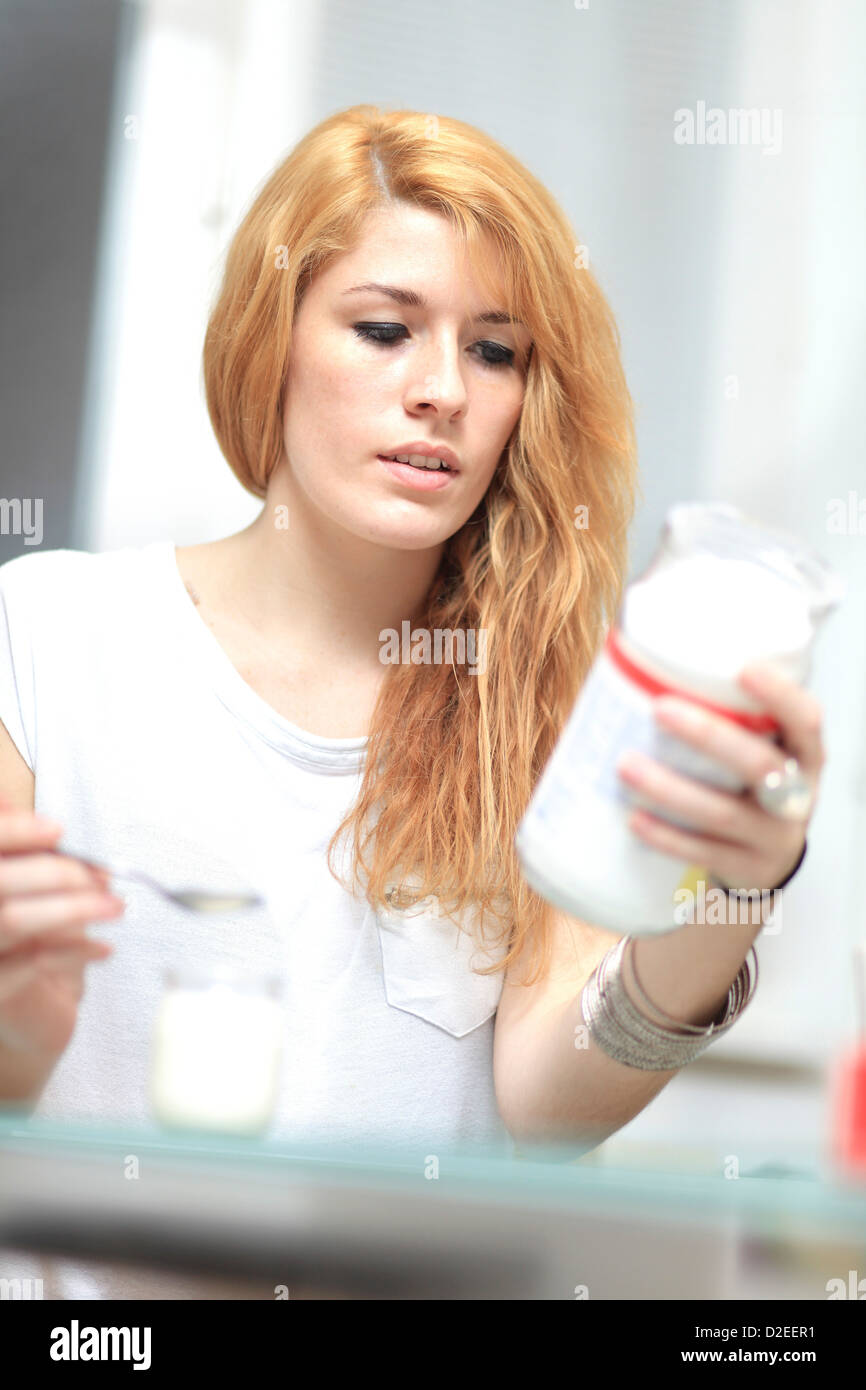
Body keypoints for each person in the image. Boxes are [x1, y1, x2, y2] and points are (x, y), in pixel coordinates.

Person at [0, 105, 823, 1298]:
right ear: (266, 341)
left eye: (494, 351)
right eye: (384, 329)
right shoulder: (42, 639)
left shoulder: (541, 701)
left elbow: (543, 1110)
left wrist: (733, 888)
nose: (440, 390)